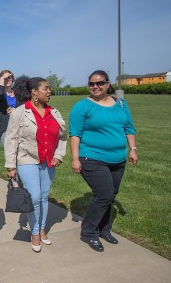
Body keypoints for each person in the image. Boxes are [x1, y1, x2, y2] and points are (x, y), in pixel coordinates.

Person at [69, 70, 138, 252]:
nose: (96, 87)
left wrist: (133, 149)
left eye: (100, 83)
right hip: (91, 157)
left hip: (118, 159)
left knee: (111, 196)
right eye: (92, 84)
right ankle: (89, 232)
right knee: (104, 195)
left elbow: (129, 127)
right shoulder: (82, 106)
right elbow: (75, 134)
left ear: (108, 84)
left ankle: (104, 230)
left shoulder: (121, 104)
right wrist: (75, 158)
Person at [4, 76, 67, 252]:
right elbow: (11, 140)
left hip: (48, 161)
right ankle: (34, 232)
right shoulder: (19, 113)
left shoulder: (54, 112)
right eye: (46, 88)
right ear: (34, 92)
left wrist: (59, 155)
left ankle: (42, 228)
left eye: (49, 89)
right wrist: (10, 165)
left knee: (44, 196)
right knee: (34, 197)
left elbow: (62, 136)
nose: (49, 92)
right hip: (27, 160)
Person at [0, 70, 16, 146]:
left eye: (10, 77)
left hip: (19, 127)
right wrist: (2, 78)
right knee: (10, 155)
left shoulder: (18, 93)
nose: (8, 79)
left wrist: (16, 110)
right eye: (5, 78)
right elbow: (0, 94)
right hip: (6, 128)